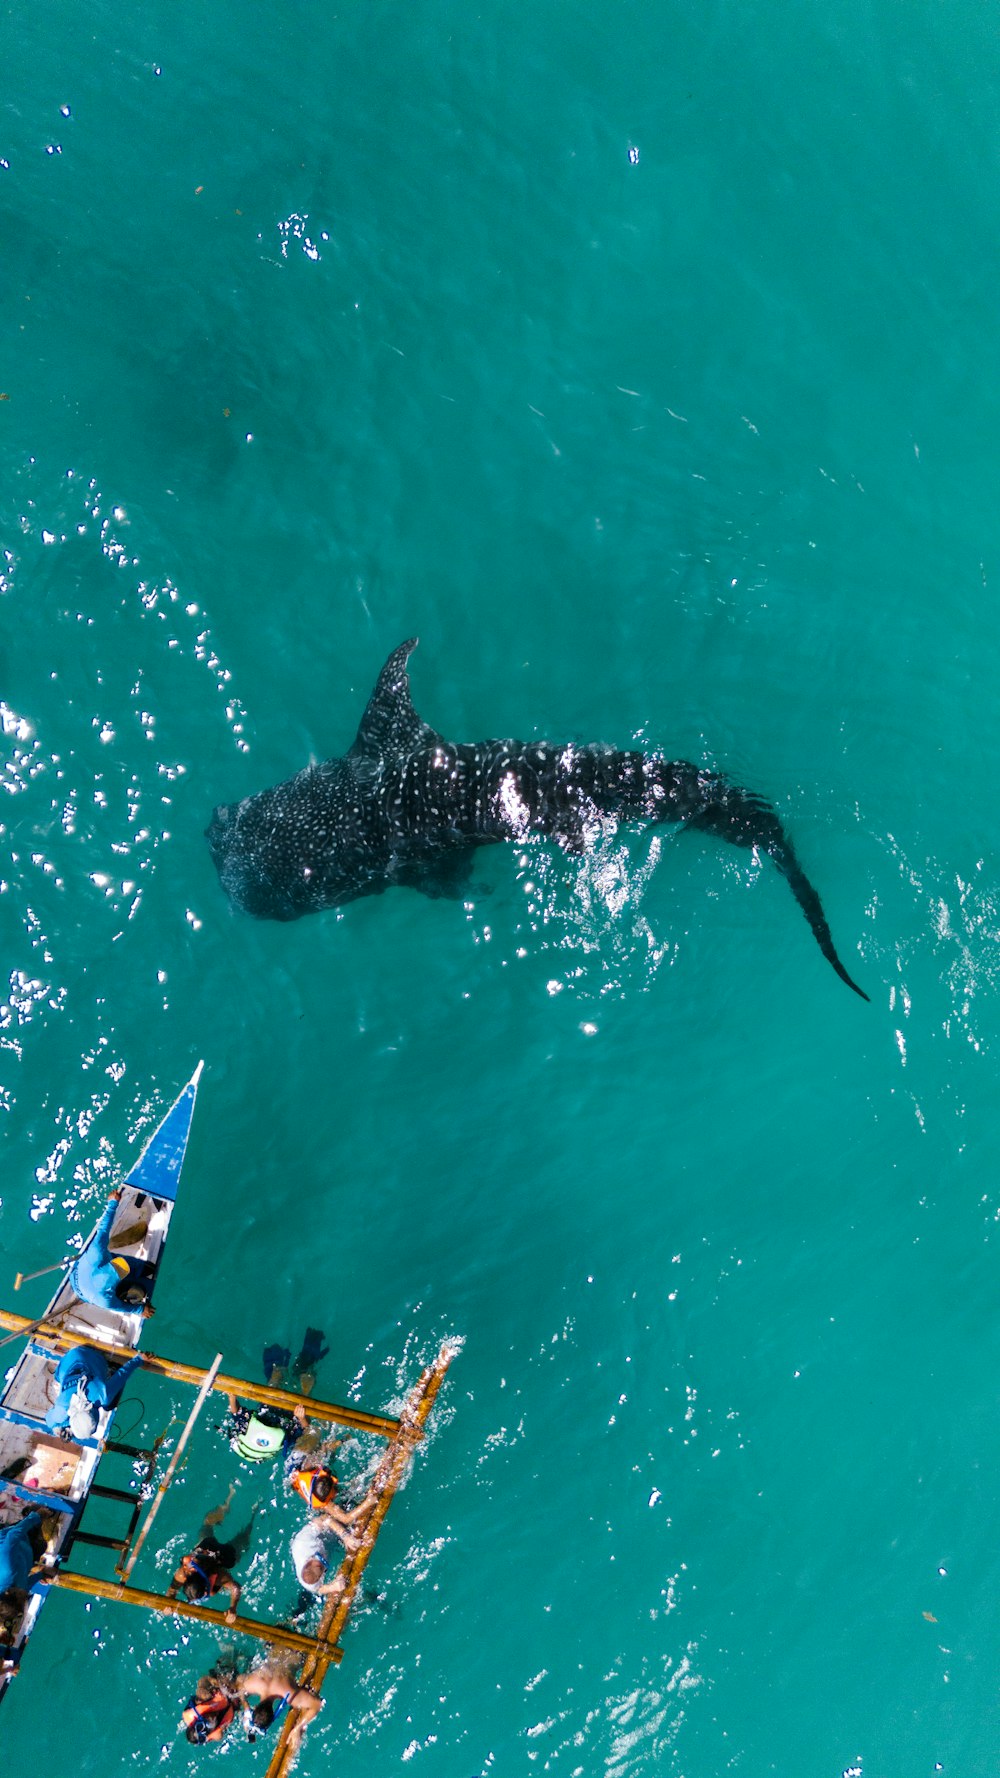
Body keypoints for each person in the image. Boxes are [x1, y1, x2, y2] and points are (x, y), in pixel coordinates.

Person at [166, 1489, 251, 1625]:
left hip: (222, 1557)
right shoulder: (183, 1573)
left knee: (242, 1541)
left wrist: (233, 1608)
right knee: (207, 1523)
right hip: (205, 1547)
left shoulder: (219, 1577)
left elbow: (235, 1587)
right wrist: (168, 1605)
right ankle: (228, 1501)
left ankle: (251, 1513)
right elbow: (171, 1591)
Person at [69, 1187, 156, 1314]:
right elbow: (121, 1307)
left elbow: (103, 1229)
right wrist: (140, 1310)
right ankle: (127, 1286)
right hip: (84, 1294)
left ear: (107, 1265)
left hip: (79, 1272)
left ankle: (138, 1269)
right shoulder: (104, 1300)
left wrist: (112, 1203)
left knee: (141, 1267)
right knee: (143, 1284)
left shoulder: (96, 1252)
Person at [45, 1344, 142, 1438]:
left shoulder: (102, 1398)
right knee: (60, 1380)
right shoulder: (61, 1411)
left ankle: (112, 1370)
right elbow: (49, 1422)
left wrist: (139, 1359)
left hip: (94, 1357)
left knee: (109, 1405)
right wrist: (65, 1423)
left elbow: (122, 1375)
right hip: (71, 1355)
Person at [237, 1661, 324, 1754]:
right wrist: (246, 1706)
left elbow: (317, 1704)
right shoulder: (252, 1684)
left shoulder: (289, 1696)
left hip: (297, 1655)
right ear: (255, 1708)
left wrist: (297, 1728)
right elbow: (239, 1680)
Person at [181, 1672, 238, 1745]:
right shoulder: (217, 1732)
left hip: (213, 1694)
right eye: (211, 1721)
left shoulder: (198, 1705)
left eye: (206, 1718)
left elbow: (203, 1681)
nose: (211, 1717)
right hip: (227, 1705)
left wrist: (219, 1686)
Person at [0, 1514, 43, 1596]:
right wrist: (41, 1575)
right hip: (25, 1553)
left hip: (9, 1536)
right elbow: (25, 1586)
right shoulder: (18, 1594)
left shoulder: (7, 1570)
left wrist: (36, 1516)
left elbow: (12, 1535)